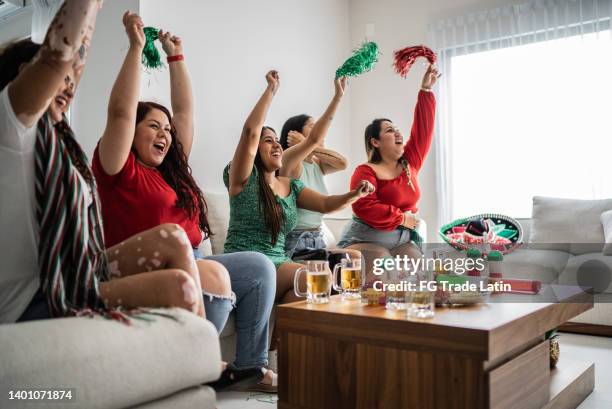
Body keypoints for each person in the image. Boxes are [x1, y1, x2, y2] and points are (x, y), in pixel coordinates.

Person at [91, 13, 276, 391]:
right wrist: (136, 48)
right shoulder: (117, 167)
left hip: (192, 257)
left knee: (259, 268)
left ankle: (251, 367)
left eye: (167, 129)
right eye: (153, 126)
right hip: (141, 264)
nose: (164, 134)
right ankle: (194, 364)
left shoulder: (171, 172)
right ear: (132, 133)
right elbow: (120, 112)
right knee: (215, 274)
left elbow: (186, 113)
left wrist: (177, 57)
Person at [0, 1, 206, 324]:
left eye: (71, 80)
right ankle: (206, 364)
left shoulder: (60, 142)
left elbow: (67, 65)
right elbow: (61, 55)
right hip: (34, 302)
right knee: (180, 283)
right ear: (23, 77)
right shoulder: (10, 125)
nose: (68, 85)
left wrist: (174, 55)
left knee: (175, 247)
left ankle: (208, 367)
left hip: (74, 279)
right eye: (58, 77)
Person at [223, 70, 375, 304]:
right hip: (249, 262)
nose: (276, 144)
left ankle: (301, 337)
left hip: (281, 262)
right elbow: (250, 132)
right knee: (317, 278)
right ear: (254, 151)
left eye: (277, 140)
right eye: (268, 141)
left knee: (333, 277)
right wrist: (270, 91)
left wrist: (354, 194)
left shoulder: (289, 185)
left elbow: (325, 203)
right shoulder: (243, 178)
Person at [337, 64, 439, 283]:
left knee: (421, 275)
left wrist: (426, 91)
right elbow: (365, 206)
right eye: (389, 130)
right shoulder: (365, 171)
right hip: (364, 238)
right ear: (375, 142)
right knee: (385, 268)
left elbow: (423, 131)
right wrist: (402, 217)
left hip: (401, 240)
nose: (397, 132)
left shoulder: (410, 162)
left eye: (396, 128)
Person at [279, 79, 359, 262]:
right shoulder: (292, 164)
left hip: (317, 239)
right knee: (345, 264)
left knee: (354, 258)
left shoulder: (317, 165)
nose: (320, 132)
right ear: (294, 134)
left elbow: (343, 163)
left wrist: (309, 145)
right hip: (296, 242)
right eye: (313, 127)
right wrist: (305, 145)